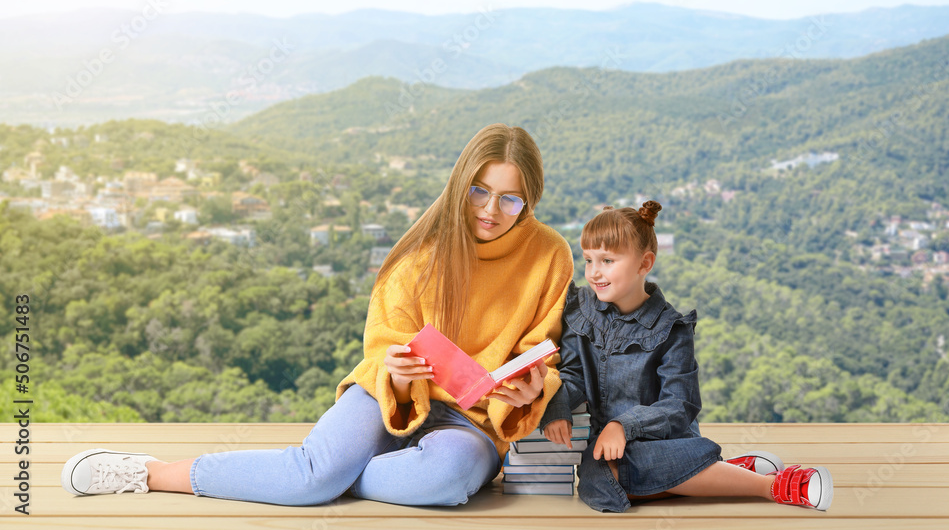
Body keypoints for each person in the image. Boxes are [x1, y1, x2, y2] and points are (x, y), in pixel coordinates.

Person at [61, 123, 575, 507]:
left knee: (441, 480)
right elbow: (383, 347)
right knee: (311, 476)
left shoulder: (550, 254)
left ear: (530, 202)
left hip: (475, 419)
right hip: (389, 395)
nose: (490, 210)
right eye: (479, 191)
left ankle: (322, 475)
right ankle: (150, 472)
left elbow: (542, 349)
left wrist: (534, 388)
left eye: (510, 200)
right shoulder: (421, 253)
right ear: (460, 183)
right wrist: (395, 375)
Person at [540, 201, 833, 513]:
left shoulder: (673, 329)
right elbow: (571, 374)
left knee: (622, 470)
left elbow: (680, 405)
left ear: (644, 263)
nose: (594, 273)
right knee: (596, 480)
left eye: (608, 260)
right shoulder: (580, 310)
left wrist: (624, 425)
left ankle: (771, 486)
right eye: (588, 260)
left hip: (664, 440)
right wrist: (556, 407)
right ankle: (717, 473)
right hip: (612, 447)